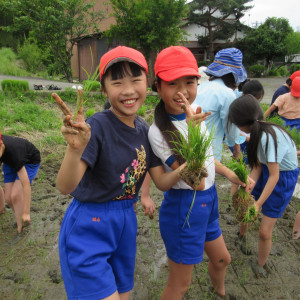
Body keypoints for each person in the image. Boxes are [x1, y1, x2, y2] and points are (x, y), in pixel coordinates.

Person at [54, 46, 195, 300]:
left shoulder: (144, 130)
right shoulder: (95, 127)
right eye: (117, 82)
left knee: (123, 294)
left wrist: (187, 168)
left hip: (126, 221)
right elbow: (65, 187)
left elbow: (161, 181)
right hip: (90, 223)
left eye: (136, 80)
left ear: (147, 83)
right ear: (104, 90)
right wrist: (75, 150)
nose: (128, 90)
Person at [148, 46, 253, 299]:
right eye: (172, 83)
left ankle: (220, 293)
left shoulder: (194, 116)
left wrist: (229, 173)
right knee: (180, 285)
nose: (182, 91)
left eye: (189, 82)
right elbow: (196, 179)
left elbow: (207, 160)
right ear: (158, 86)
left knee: (222, 259)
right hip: (185, 207)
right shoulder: (160, 132)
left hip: (208, 202)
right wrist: (193, 131)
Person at [227, 95, 299, 277]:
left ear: (240, 125)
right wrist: (248, 188)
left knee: (264, 231)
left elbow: (274, 177)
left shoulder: (267, 138)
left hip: (282, 178)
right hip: (268, 170)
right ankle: (241, 236)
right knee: (246, 205)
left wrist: (258, 204)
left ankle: (261, 264)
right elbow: (258, 167)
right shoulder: (256, 132)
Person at [194, 47, 248, 162]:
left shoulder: (201, 87)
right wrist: (237, 151)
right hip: (209, 151)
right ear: (235, 75)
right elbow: (230, 128)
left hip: (191, 147)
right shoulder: (227, 94)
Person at [0, 132, 41, 233]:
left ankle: (21, 226)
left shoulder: (15, 154)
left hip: (29, 161)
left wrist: (26, 212)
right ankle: (18, 215)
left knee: (16, 195)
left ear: (1, 144)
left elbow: (26, 185)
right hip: (9, 162)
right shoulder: (2, 151)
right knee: (9, 198)